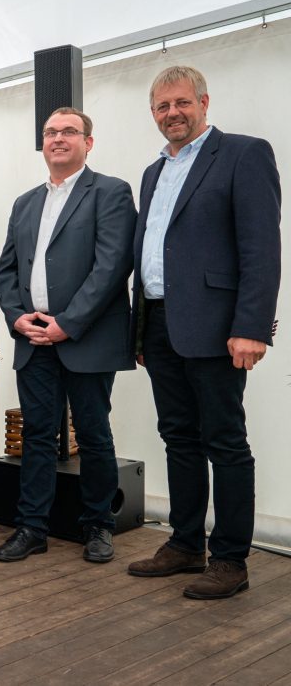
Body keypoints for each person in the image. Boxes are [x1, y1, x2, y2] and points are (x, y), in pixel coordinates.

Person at [126, 66, 281, 600]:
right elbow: (155, 249)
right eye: (162, 106)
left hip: (217, 327)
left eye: (182, 102)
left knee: (225, 441)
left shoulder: (243, 154)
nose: (173, 113)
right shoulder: (153, 171)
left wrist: (251, 326)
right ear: (153, 113)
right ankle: (186, 543)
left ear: (204, 102)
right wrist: (141, 331)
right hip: (159, 323)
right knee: (178, 437)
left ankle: (231, 558)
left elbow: (261, 248)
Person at [0, 107, 136, 564]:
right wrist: (16, 317)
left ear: (87, 143)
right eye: (50, 132)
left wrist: (68, 324)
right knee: (37, 435)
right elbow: (6, 269)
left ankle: (98, 525)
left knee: (93, 433)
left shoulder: (111, 192)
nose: (58, 138)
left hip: (85, 337)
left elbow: (112, 267)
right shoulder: (25, 202)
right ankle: (32, 527)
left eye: (69, 132)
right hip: (33, 337)